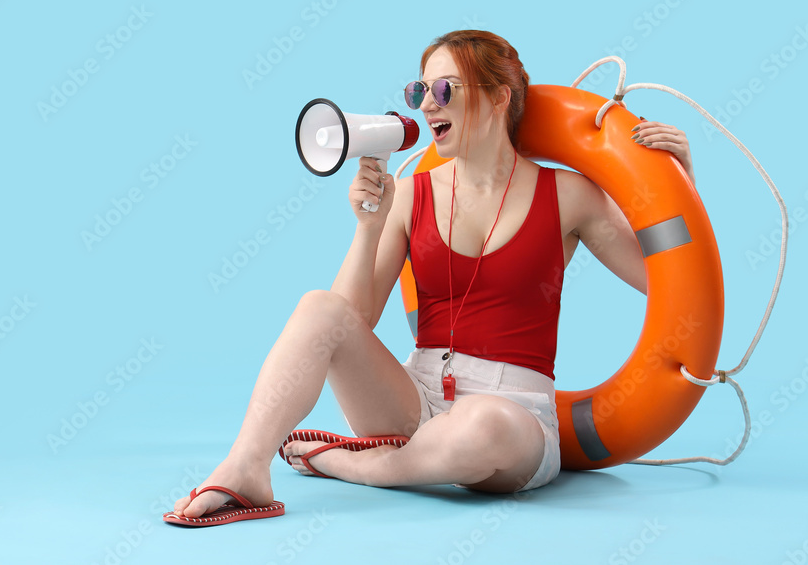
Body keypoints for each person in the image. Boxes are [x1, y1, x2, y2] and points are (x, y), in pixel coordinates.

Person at [170, 30, 694, 521]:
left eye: (443, 88)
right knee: (318, 306)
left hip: (512, 417)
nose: (425, 104)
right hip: (413, 401)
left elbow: (667, 283)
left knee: (482, 426)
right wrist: (368, 229)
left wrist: (679, 182)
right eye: (419, 88)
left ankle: (352, 464)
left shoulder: (569, 195)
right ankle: (245, 468)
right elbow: (351, 322)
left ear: (498, 97)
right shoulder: (411, 195)